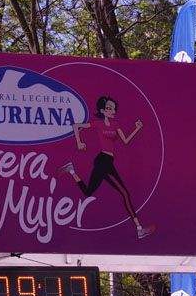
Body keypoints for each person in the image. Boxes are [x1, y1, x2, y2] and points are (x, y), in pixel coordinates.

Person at [61, 95, 154, 239]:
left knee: (88, 192)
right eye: (109, 108)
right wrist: (79, 141)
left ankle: (71, 170)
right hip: (103, 161)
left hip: (107, 161)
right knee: (124, 193)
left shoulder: (115, 125)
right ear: (103, 110)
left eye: (113, 108)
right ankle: (139, 228)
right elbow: (76, 126)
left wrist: (137, 129)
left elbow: (126, 141)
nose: (112, 110)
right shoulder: (98, 124)